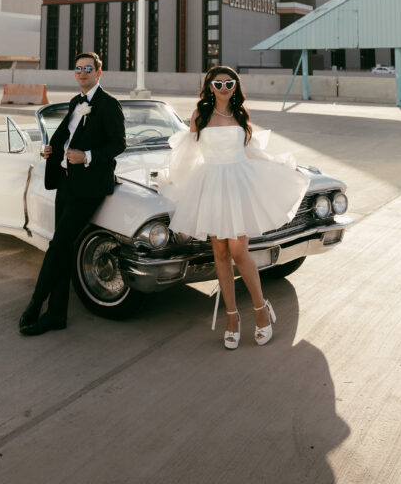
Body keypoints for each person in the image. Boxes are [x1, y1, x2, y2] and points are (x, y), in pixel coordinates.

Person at [161, 66, 307, 349]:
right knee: (220, 251)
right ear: (209, 86)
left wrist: (281, 165)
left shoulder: (241, 114)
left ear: (235, 86)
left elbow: (250, 151)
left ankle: (261, 309)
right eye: (218, 83)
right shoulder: (200, 116)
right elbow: (187, 155)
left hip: (238, 183)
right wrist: (171, 180)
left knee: (239, 250)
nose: (224, 87)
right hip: (212, 184)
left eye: (229, 83)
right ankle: (231, 318)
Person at [19, 52, 126, 336]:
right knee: (63, 248)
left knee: (58, 245)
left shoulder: (109, 104)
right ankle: (56, 315)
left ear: (98, 73)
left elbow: (119, 144)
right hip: (66, 183)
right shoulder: (74, 102)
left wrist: (87, 156)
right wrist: (51, 151)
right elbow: (67, 136)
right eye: (77, 69)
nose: (82, 73)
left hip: (89, 187)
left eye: (87, 68)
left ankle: (35, 304)